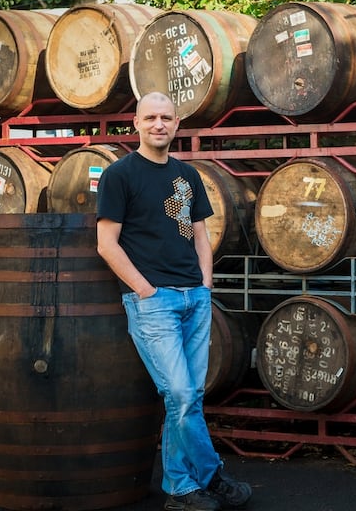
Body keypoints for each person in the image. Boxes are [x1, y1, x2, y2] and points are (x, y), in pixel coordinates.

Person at [96, 92, 252, 511]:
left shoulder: (187, 176)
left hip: (194, 299)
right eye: (150, 118)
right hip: (154, 304)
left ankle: (182, 487)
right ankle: (213, 474)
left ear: (177, 123)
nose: (158, 124)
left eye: (166, 117)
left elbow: (200, 234)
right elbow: (107, 244)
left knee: (189, 397)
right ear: (136, 123)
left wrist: (205, 283)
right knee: (182, 394)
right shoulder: (120, 176)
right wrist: (144, 290)